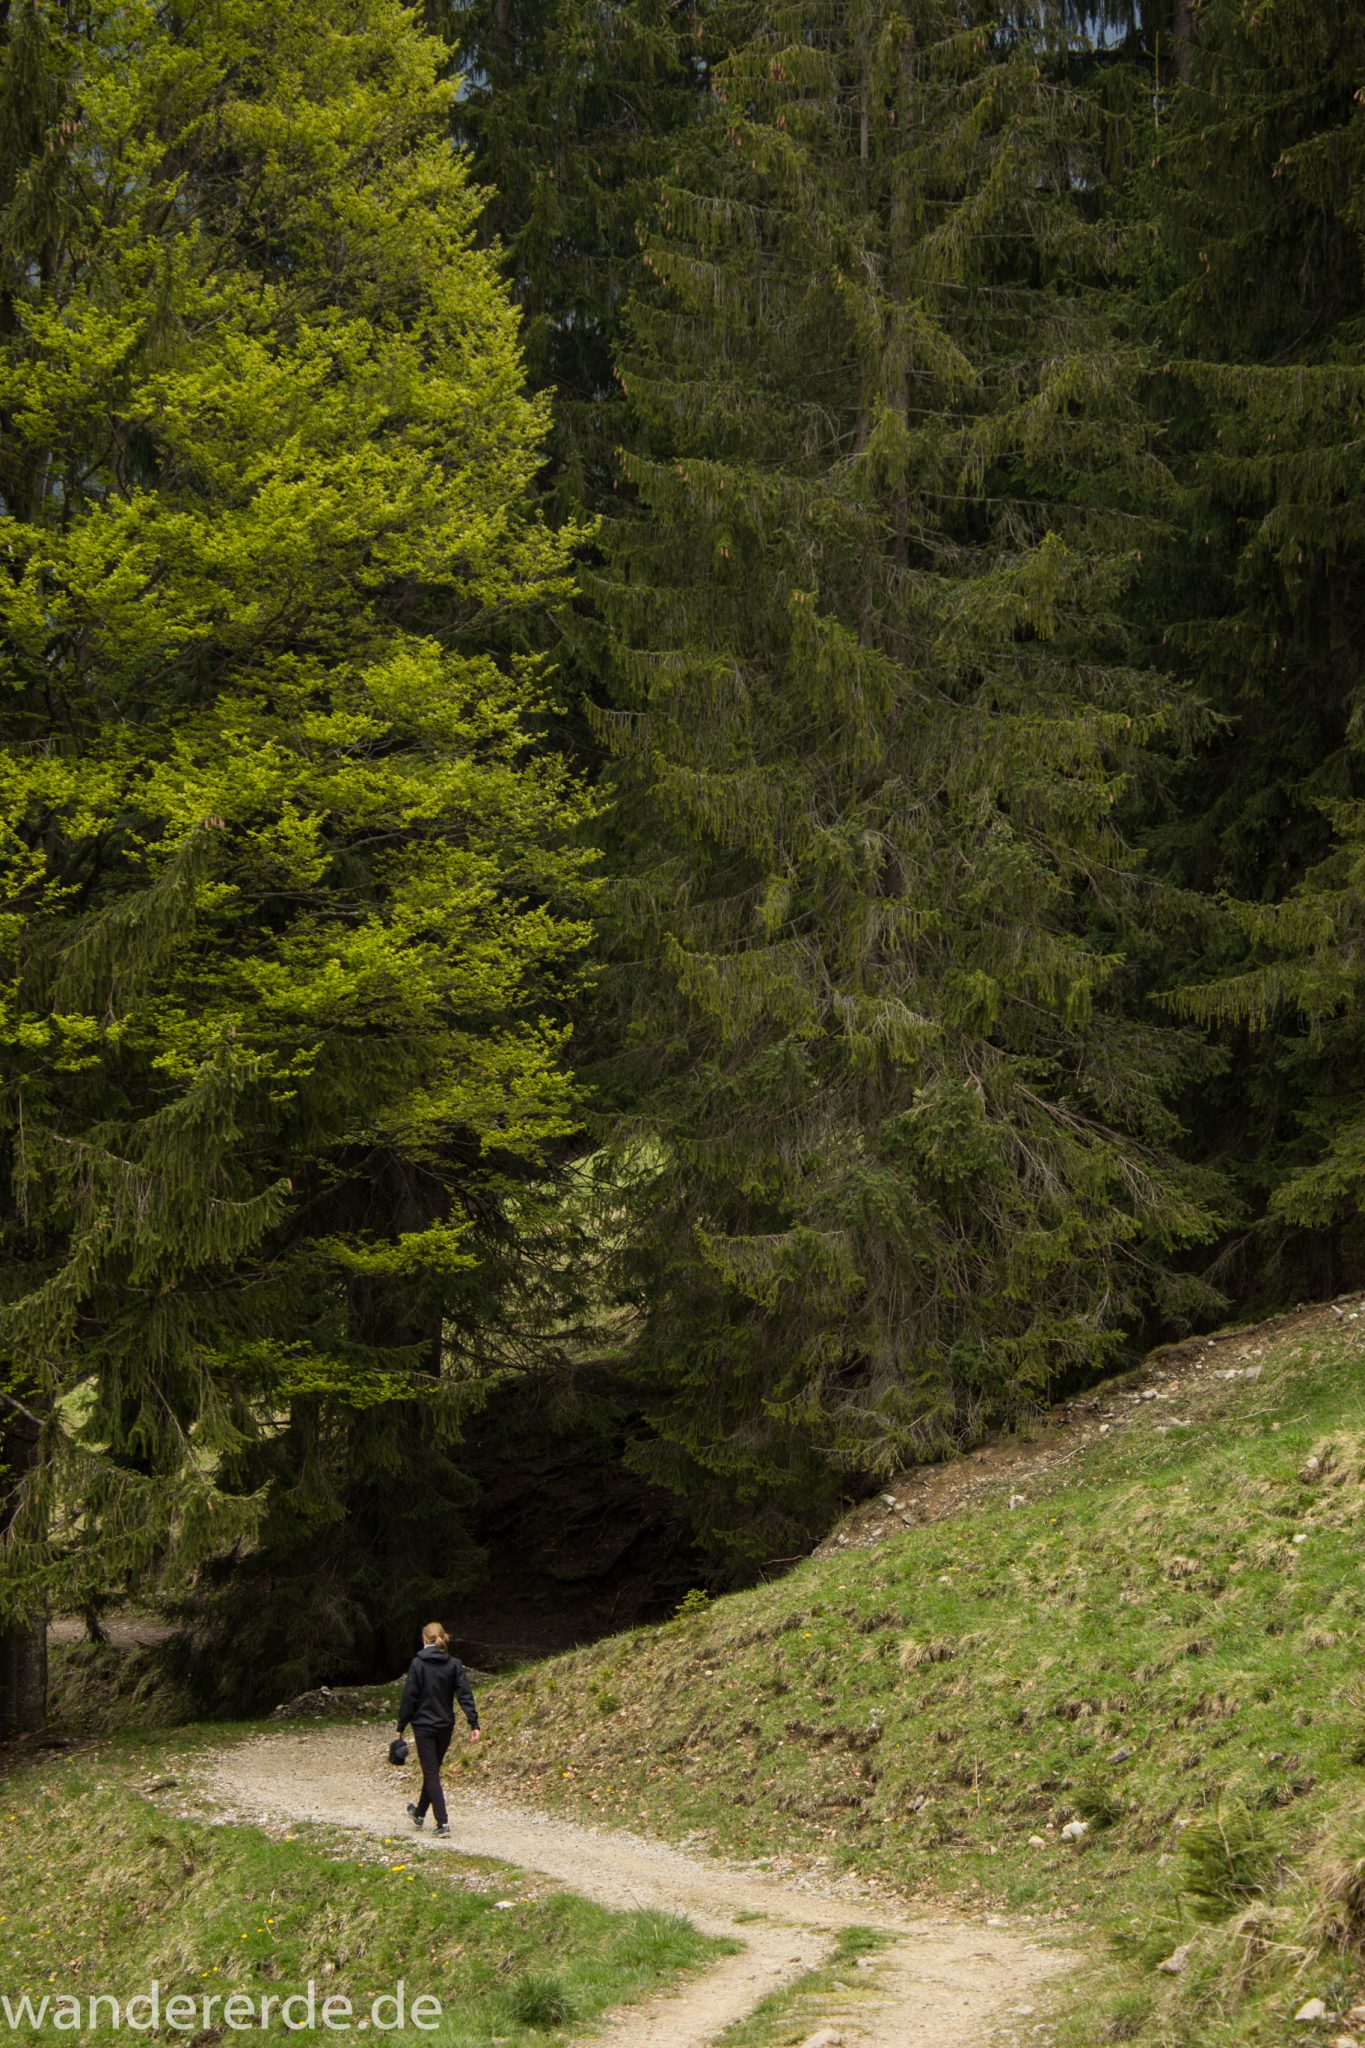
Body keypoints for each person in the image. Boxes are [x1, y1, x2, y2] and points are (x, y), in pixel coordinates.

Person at [396, 1621, 480, 1835]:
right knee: (432, 1771)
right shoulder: (454, 1665)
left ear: (425, 1639)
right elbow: (464, 1694)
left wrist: (401, 1725)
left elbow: (409, 1697)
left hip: (423, 1726)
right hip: (445, 1725)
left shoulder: (417, 1664)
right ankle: (420, 1813)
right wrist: (474, 1722)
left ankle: (442, 1822)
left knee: (431, 1772)